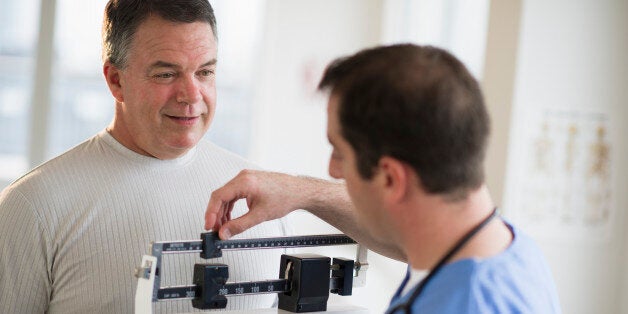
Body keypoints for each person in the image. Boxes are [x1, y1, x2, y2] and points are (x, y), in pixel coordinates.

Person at [205, 44, 562, 313]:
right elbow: (406, 236)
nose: (332, 170)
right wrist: (301, 193)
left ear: (391, 178)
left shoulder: (467, 303)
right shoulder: (505, 249)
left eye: (339, 152)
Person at [0, 1, 286, 313]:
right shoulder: (32, 206)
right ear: (115, 80)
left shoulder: (261, 199)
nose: (191, 95)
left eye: (205, 72)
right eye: (166, 73)